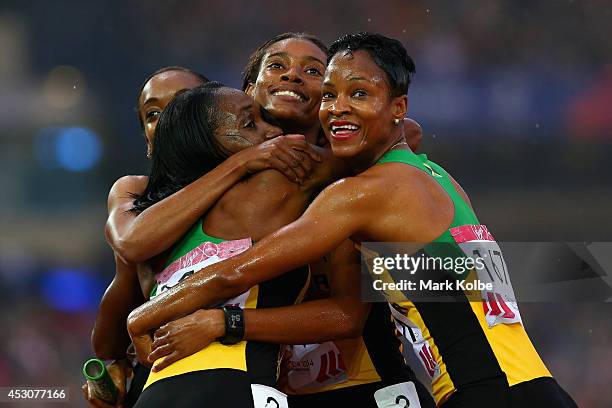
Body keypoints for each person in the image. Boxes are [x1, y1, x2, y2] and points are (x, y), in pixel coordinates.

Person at [127, 33, 578, 408]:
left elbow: (237, 272)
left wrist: (148, 316)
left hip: (480, 392)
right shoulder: (434, 178)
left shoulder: (362, 192)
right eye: (331, 95)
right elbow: (455, 285)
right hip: (528, 387)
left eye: (358, 94)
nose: (338, 107)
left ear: (398, 107)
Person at [142, 33, 434, 408]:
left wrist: (223, 322)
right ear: (248, 90)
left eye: (313, 71)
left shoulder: (354, 184)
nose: (293, 76)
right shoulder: (202, 198)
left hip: (366, 390)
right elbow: (134, 246)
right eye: (277, 66)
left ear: (330, 94)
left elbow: (348, 316)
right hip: (272, 392)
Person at [84, 66, 320, 407]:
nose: (171, 119)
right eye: (153, 114)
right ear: (147, 142)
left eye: (185, 103)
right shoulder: (136, 191)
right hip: (160, 376)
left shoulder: (271, 180)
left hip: (267, 377)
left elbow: (349, 315)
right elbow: (133, 249)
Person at [130, 81, 348, 407]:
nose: (272, 132)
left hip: (155, 394)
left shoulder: (162, 230)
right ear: (204, 145)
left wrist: (135, 324)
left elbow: (109, 337)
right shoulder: (276, 177)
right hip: (231, 385)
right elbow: (381, 145)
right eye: (250, 124)